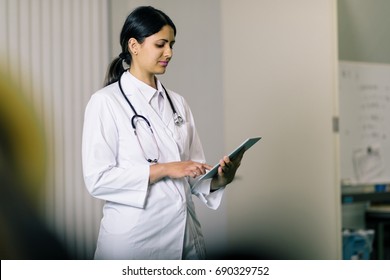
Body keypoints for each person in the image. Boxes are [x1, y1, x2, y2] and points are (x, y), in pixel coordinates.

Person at [82, 6, 244, 260]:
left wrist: (220, 179)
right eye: (161, 44)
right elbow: (97, 179)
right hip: (135, 241)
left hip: (185, 237)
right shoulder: (105, 102)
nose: (169, 53)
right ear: (134, 46)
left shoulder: (178, 103)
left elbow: (192, 173)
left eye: (171, 45)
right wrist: (165, 169)